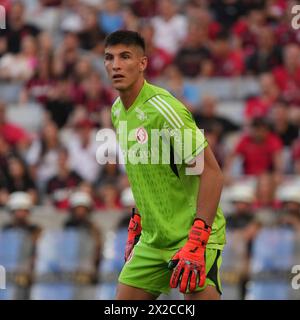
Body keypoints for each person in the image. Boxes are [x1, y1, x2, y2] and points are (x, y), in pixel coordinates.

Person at [104, 30, 226, 300]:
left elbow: (213, 174)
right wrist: (138, 219)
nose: (116, 65)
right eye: (109, 58)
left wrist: (198, 238)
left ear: (143, 63)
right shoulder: (116, 111)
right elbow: (145, 172)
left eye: (125, 57)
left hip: (192, 236)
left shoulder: (163, 109)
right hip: (152, 238)